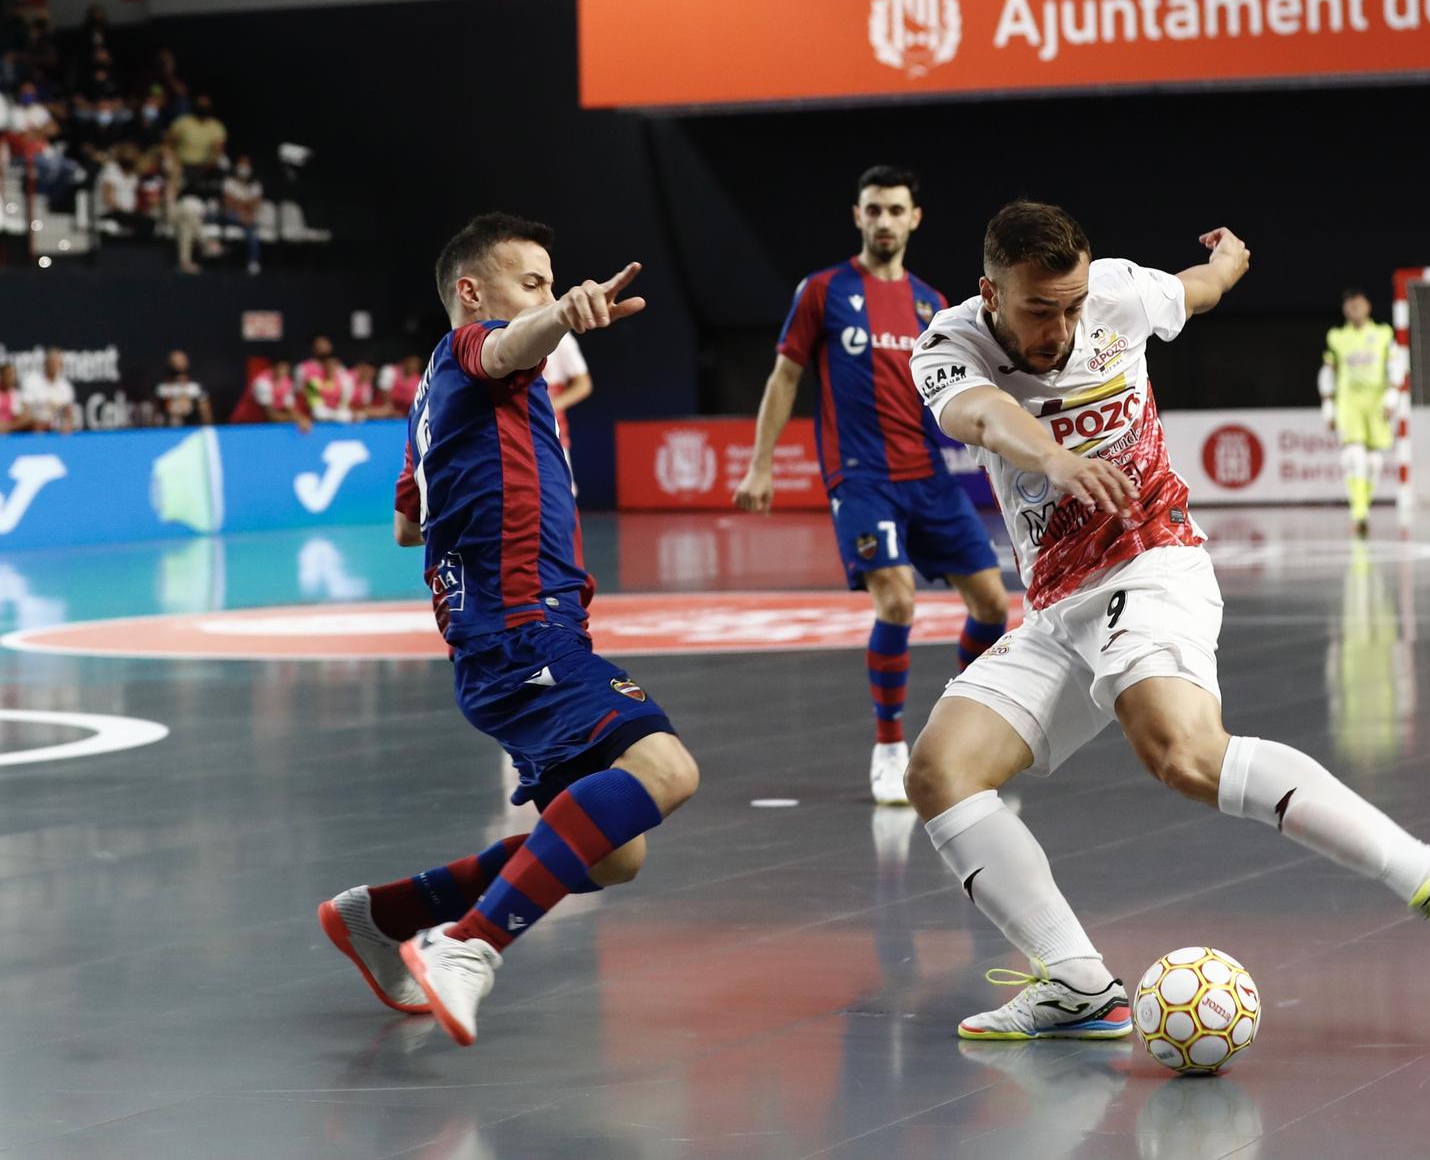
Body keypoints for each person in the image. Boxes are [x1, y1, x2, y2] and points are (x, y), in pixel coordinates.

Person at [902, 201, 1430, 1041]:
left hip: (1155, 561)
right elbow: (981, 415)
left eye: (1073, 304)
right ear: (991, 293)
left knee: (1183, 752)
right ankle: (1079, 984)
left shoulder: (1116, 293)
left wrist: (1229, 262)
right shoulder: (948, 343)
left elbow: (1192, 292)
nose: (1062, 326)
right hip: (1058, 605)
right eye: (1039, 309)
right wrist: (1052, 456)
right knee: (941, 770)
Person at [316, 212, 696, 1048]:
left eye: (552, 285)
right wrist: (559, 318)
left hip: (506, 636)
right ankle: (468, 944)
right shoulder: (469, 354)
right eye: (533, 282)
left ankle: (385, 914)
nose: (548, 296)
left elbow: (406, 527)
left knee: (612, 853)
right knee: (666, 769)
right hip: (525, 628)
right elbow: (500, 348)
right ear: (471, 291)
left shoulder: (431, 397)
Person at [732, 165, 1011, 806]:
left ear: (914, 218)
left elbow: (958, 389)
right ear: (858, 217)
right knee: (897, 601)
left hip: (929, 479)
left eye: (895, 210)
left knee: (994, 608)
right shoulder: (822, 291)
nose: (884, 220)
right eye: (873, 210)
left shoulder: (932, 304)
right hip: (859, 478)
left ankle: (958, 738)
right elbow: (784, 378)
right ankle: (889, 749)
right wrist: (761, 463)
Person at [1320, 288, 1397, 535]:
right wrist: (1329, 407)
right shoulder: (1336, 337)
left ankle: (1363, 505)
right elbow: (1328, 372)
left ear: (1368, 306)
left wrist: (1392, 398)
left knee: (1374, 462)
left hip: (1376, 403)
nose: (1354, 308)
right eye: (1349, 305)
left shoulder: (1384, 334)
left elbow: (1394, 366)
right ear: (1344, 310)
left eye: (1358, 303)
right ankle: (1359, 512)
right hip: (1348, 402)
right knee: (1354, 457)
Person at [544, 332, 592, 449]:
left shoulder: (560, 336)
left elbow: (583, 384)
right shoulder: (500, 331)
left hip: (552, 438)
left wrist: (547, 407)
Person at [221, 154, 265, 274]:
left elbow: (255, 204)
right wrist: (243, 206)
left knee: (250, 226)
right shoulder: (229, 182)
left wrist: (239, 203)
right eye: (241, 164)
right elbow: (228, 202)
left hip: (248, 216)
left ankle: (253, 262)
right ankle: (253, 260)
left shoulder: (256, 184)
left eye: (246, 164)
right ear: (236, 166)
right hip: (231, 215)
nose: (244, 167)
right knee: (247, 222)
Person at [20, 348, 80, 434]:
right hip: (32, 428)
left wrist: (67, 425)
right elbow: (24, 411)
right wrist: (35, 422)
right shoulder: (32, 381)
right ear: (45, 363)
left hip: (55, 430)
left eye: (57, 363)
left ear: (61, 365)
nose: (54, 365)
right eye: (51, 362)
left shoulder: (65, 387)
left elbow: (68, 414)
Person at [153, 351, 213, 428]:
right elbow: (156, 412)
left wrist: (208, 428)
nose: (179, 363)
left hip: (192, 429)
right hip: (168, 430)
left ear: (187, 362)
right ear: (170, 363)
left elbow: (205, 410)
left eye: (181, 360)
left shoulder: (195, 386)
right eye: (175, 360)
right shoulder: (162, 387)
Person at [0, 363, 31, 433]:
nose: (11, 378)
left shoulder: (16, 394)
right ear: (1, 376)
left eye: (13, 375)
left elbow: (19, 416)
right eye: (8, 375)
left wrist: (8, 426)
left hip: (10, 430)